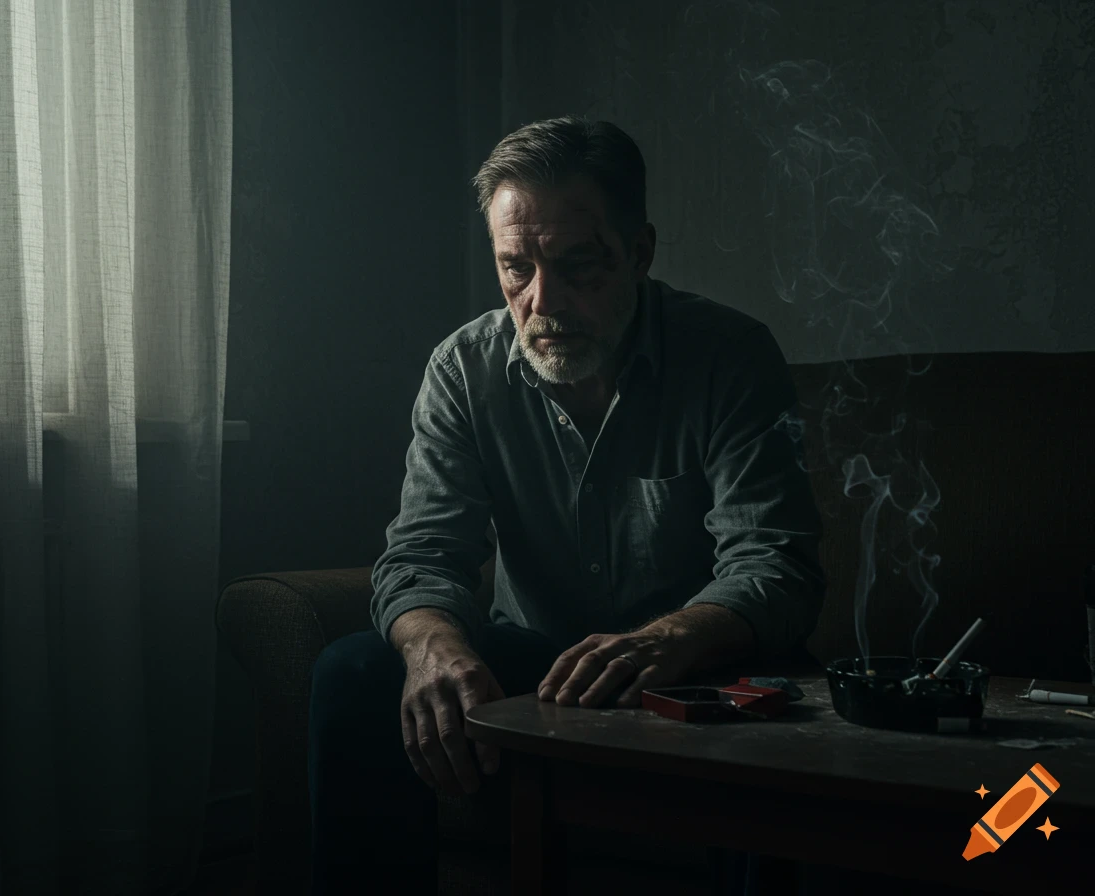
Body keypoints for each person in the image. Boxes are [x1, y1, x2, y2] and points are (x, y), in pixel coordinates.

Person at [307, 114, 825, 894]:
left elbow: (776, 564)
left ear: (639, 253)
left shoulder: (729, 357)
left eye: (579, 267)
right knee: (353, 674)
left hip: (700, 667)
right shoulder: (463, 370)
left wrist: (671, 638)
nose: (542, 302)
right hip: (538, 666)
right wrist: (431, 649)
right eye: (516, 268)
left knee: (779, 734)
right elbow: (422, 555)